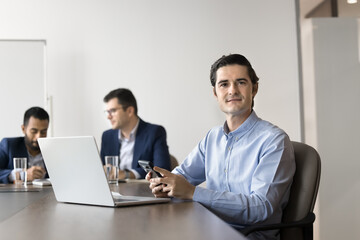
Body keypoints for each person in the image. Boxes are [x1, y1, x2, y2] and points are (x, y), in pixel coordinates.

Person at [147, 54, 296, 240]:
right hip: (208, 229)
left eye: (241, 82)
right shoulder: (212, 137)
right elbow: (182, 176)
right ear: (215, 93)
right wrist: (164, 183)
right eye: (224, 84)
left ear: (254, 89)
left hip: (248, 236)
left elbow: (261, 207)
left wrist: (193, 192)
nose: (232, 90)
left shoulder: (274, 141)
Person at [100, 88, 171, 179]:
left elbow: (162, 170)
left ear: (130, 111)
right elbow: (101, 169)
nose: (108, 117)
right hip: (113, 191)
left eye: (113, 111)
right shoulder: (107, 136)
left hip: (142, 191)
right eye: (107, 112)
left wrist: (127, 174)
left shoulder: (155, 132)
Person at [0, 107, 50, 183]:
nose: (38, 137)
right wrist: (20, 175)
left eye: (43, 132)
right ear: (23, 129)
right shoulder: (9, 145)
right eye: (34, 131)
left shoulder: (53, 150)